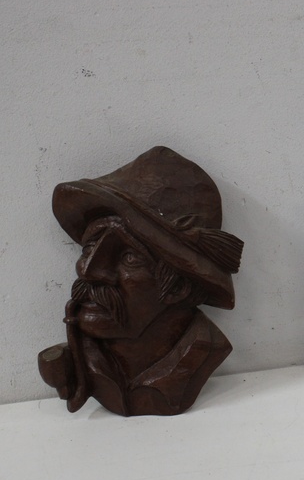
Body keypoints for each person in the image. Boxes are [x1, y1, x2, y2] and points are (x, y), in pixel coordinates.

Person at [38, 147, 243, 416]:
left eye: (130, 257)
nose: (88, 270)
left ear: (179, 287)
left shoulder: (203, 350)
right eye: (89, 248)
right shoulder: (81, 357)